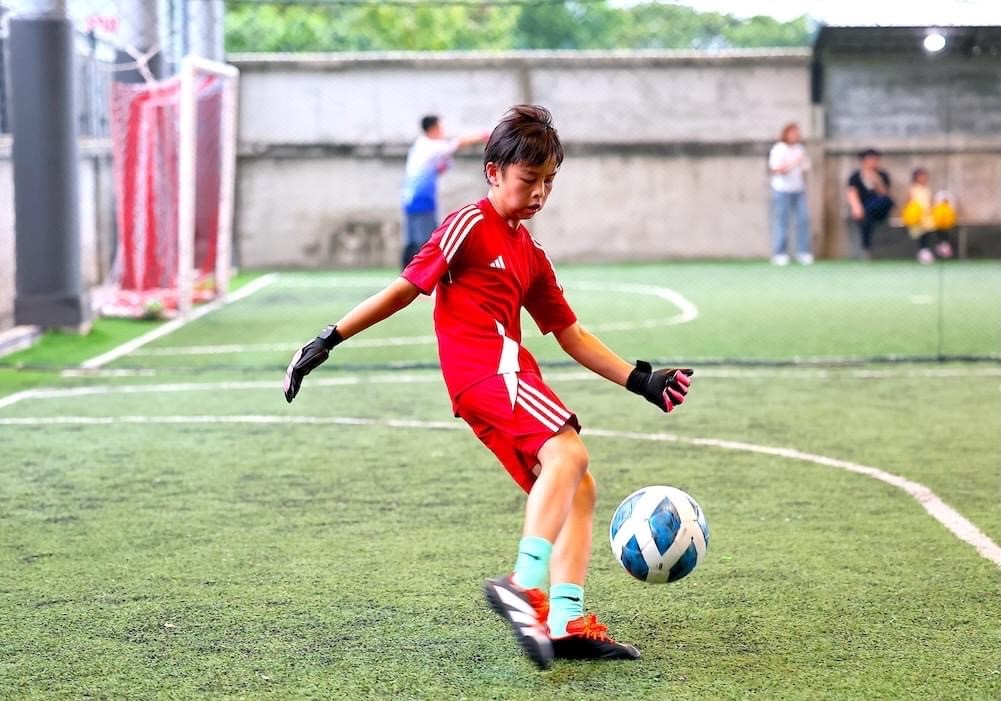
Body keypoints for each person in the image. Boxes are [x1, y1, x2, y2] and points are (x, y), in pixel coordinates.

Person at [283, 105, 694, 670]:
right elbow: (405, 290)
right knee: (568, 452)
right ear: (494, 172)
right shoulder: (468, 225)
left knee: (580, 487)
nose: (539, 193)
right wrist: (329, 337)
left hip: (500, 378)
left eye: (549, 181)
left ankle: (566, 620)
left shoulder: (530, 253)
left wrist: (640, 379)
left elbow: (570, 334)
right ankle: (524, 584)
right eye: (529, 180)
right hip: (489, 371)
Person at [400, 115, 488, 268]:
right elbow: (458, 143)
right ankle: (418, 274)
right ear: (433, 129)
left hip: (409, 199)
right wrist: (483, 135)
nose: (442, 131)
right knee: (425, 240)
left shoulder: (419, 145)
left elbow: (438, 166)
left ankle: (406, 274)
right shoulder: (432, 146)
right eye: (440, 128)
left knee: (413, 240)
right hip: (422, 199)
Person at [767, 122, 812, 265]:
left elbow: (805, 168)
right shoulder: (779, 149)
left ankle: (803, 252)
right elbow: (778, 169)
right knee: (782, 221)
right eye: (792, 132)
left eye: (797, 133)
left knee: (803, 219)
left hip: (798, 190)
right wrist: (794, 162)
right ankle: (779, 253)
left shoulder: (800, 149)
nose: (795, 135)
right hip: (782, 190)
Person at [846, 148, 894, 261]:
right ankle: (866, 249)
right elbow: (852, 193)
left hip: (879, 208)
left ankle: (865, 212)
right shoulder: (856, 176)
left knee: (886, 201)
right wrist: (856, 207)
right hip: (863, 208)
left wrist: (876, 180)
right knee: (866, 218)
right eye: (870, 159)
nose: (873, 162)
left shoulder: (882, 174)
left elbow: (885, 194)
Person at [900, 167, 954, 264]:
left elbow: (931, 202)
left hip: (928, 215)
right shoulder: (913, 190)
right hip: (918, 217)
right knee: (923, 231)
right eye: (921, 177)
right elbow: (908, 203)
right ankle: (923, 250)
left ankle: (942, 244)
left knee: (939, 225)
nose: (923, 179)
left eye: (925, 177)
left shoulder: (927, 189)